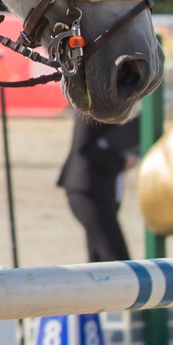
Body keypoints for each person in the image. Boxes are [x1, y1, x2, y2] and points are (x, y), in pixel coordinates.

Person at [57, 111, 141, 261]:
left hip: (102, 190)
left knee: (98, 259)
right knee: (116, 258)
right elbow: (83, 147)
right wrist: (121, 162)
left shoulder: (111, 105)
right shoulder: (90, 105)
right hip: (86, 190)